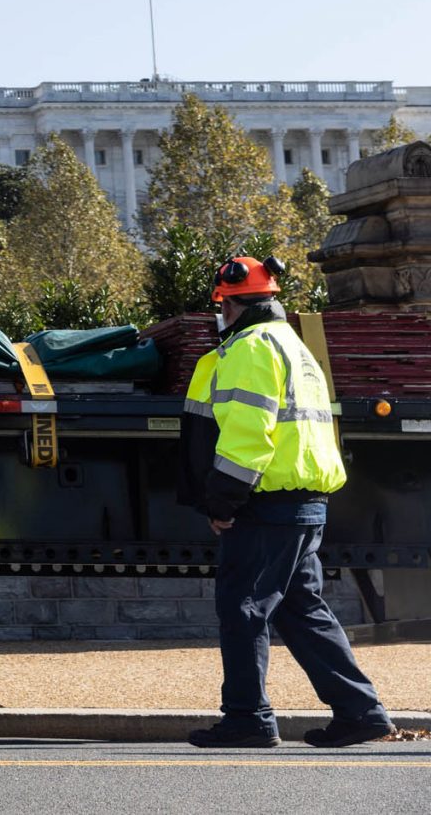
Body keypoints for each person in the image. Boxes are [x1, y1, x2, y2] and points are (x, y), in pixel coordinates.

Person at [181, 256, 390, 749]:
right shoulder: (293, 346)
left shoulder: (251, 349)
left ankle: (247, 719)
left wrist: (223, 503)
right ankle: (361, 712)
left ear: (229, 304)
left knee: (243, 608)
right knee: (301, 610)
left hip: (266, 504)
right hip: (303, 502)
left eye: (221, 307)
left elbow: (249, 437)